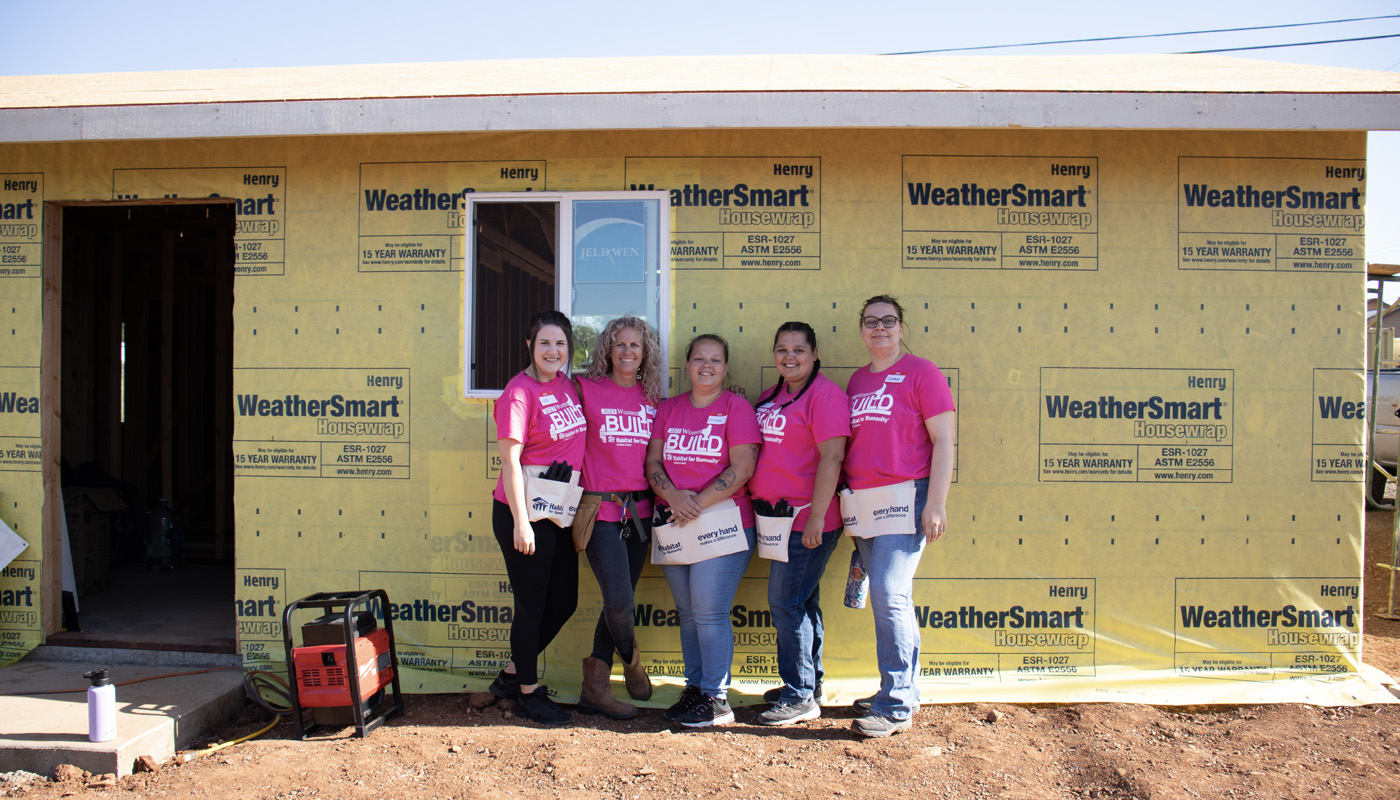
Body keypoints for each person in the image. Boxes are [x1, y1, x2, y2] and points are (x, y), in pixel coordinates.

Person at [843, 295, 956, 738]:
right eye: (871, 321)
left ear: (901, 328)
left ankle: (895, 705)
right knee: (896, 598)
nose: (880, 328)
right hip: (864, 505)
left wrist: (936, 502)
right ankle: (903, 690)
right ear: (862, 329)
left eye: (888, 321)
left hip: (908, 497)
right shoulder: (855, 381)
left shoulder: (922, 372)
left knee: (889, 594)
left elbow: (944, 440)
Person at [645, 333, 761, 728]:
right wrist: (674, 497)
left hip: (724, 523)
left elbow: (742, 467)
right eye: (698, 359)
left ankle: (716, 698)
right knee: (689, 614)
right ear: (687, 365)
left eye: (715, 360)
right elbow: (653, 462)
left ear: (726, 368)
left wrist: (693, 502)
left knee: (710, 613)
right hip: (675, 522)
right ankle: (695, 688)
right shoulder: (669, 408)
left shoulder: (737, 407)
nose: (706, 366)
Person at [488, 310, 586, 725]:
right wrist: (521, 520)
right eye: (545, 342)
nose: (553, 350)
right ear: (530, 345)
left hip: (559, 509)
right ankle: (529, 691)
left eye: (561, 344)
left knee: (564, 601)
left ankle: (512, 675)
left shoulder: (567, 384)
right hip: (525, 513)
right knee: (531, 605)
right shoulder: (519, 392)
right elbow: (510, 461)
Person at [749, 322, 850, 726]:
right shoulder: (773, 395)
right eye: (781, 349)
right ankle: (810, 683)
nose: (789, 356)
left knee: (786, 602)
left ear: (814, 353)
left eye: (798, 350)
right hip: (778, 519)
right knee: (802, 602)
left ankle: (799, 695)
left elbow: (832, 459)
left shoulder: (825, 396)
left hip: (809, 520)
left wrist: (816, 519)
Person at [574, 316, 665, 719]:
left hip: (641, 513)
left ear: (646, 354)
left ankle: (594, 687)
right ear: (607, 351)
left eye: (636, 345)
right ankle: (631, 662)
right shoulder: (585, 390)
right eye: (620, 344)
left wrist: (729, 394)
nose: (628, 352)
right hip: (600, 511)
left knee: (619, 603)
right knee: (620, 600)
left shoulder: (654, 400)